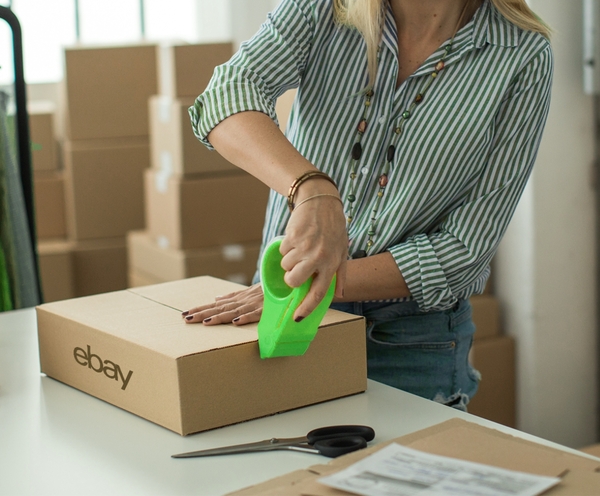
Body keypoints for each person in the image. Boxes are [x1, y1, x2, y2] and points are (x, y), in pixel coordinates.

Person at [182, 0, 553, 411]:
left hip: (408, 343)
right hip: (284, 316)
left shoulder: (522, 54)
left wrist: (318, 280)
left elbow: (464, 250)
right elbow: (224, 95)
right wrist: (313, 190)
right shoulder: (323, 8)